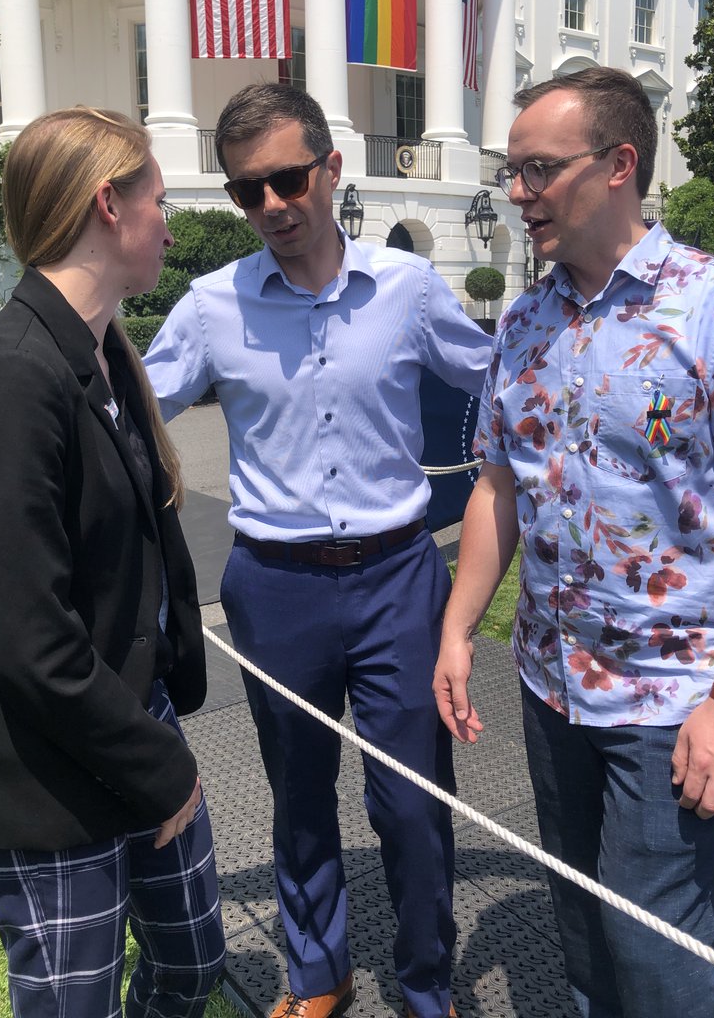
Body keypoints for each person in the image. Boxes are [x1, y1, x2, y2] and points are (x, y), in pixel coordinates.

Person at [433, 67, 714, 1018]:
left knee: (659, 945)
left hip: (673, 699)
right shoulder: (522, 319)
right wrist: (456, 628)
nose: (516, 193)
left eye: (537, 170)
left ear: (619, 166)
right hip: (550, 681)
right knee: (581, 922)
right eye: (510, 171)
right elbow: (496, 485)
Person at [142, 84, 492, 1018]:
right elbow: (130, 410)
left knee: (413, 804)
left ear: (331, 170)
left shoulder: (408, 288)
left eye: (289, 180)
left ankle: (425, 984)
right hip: (276, 587)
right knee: (298, 792)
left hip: (397, 581)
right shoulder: (213, 306)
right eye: (247, 192)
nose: (272, 207)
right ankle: (318, 974)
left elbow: (500, 377)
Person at [0, 108, 226, 1018]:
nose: (170, 223)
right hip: (46, 763)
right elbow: (28, 641)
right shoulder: (15, 372)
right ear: (106, 204)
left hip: (128, 717)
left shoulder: (99, 348)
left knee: (192, 965)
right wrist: (162, 767)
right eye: (158, 201)